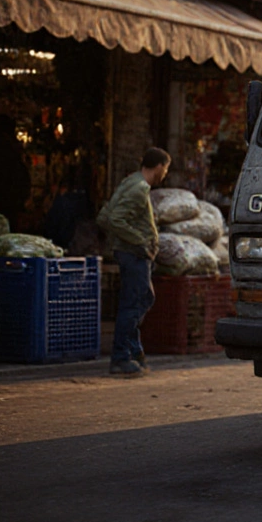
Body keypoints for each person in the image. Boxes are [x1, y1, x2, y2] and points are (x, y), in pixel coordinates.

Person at [97, 148, 171, 377]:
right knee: (133, 303)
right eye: (166, 169)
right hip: (134, 254)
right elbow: (113, 218)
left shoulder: (131, 182)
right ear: (158, 167)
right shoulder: (138, 189)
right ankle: (121, 357)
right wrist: (141, 242)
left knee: (142, 298)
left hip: (131, 253)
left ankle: (134, 351)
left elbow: (106, 214)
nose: (165, 174)